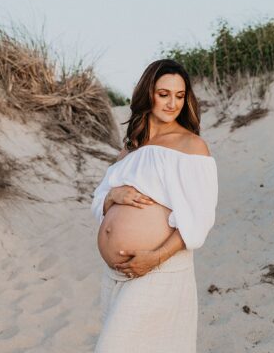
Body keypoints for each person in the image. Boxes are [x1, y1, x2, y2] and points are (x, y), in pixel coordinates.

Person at [90, 58, 218, 353]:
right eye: (164, 94)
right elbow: (100, 199)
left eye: (179, 95)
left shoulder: (191, 146)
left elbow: (198, 220)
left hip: (156, 270)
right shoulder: (132, 147)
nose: (172, 103)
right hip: (115, 275)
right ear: (148, 93)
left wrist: (155, 257)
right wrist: (113, 196)